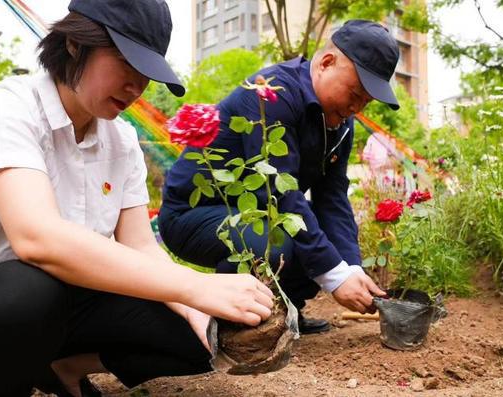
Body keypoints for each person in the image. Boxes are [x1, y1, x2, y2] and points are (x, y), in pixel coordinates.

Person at [0, 1, 274, 396]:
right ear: (73, 44)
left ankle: (62, 366)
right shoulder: (8, 108)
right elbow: (37, 239)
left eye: (147, 74)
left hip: (72, 299)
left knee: (212, 331)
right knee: (27, 295)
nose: (137, 86)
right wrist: (193, 284)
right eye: (126, 63)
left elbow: (139, 245)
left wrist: (196, 304)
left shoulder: (119, 139)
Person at [159, 20, 398, 335]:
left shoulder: (341, 124)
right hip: (192, 214)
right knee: (279, 238)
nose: (356, 107)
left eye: (365, 102)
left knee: (313, 240)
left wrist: (350, 267)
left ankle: (287, 311)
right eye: (355, 93)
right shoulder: (270, 94)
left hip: (256, 214)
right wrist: (334, 276)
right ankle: (233, 323)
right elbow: (276, 191)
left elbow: (333, 198)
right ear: (327, 63)